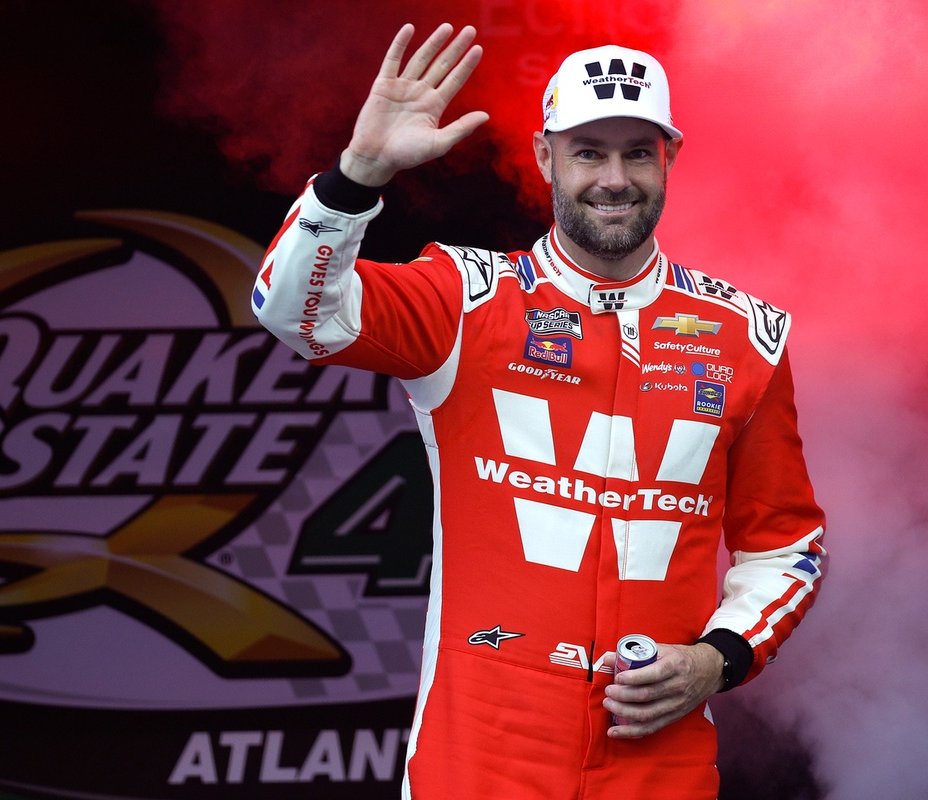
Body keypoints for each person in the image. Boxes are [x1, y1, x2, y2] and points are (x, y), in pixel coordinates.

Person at [252, 22, 826, 799]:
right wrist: (359, 175)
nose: (614, 179)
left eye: (638, 152)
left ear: (671, 157)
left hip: (659, 765)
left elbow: (785, 546)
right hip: (479, 758)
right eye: (588, 152)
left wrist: (717, 658)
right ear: (544, 156)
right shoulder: (467, 299)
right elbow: (294, 310)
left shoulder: (746, 336)